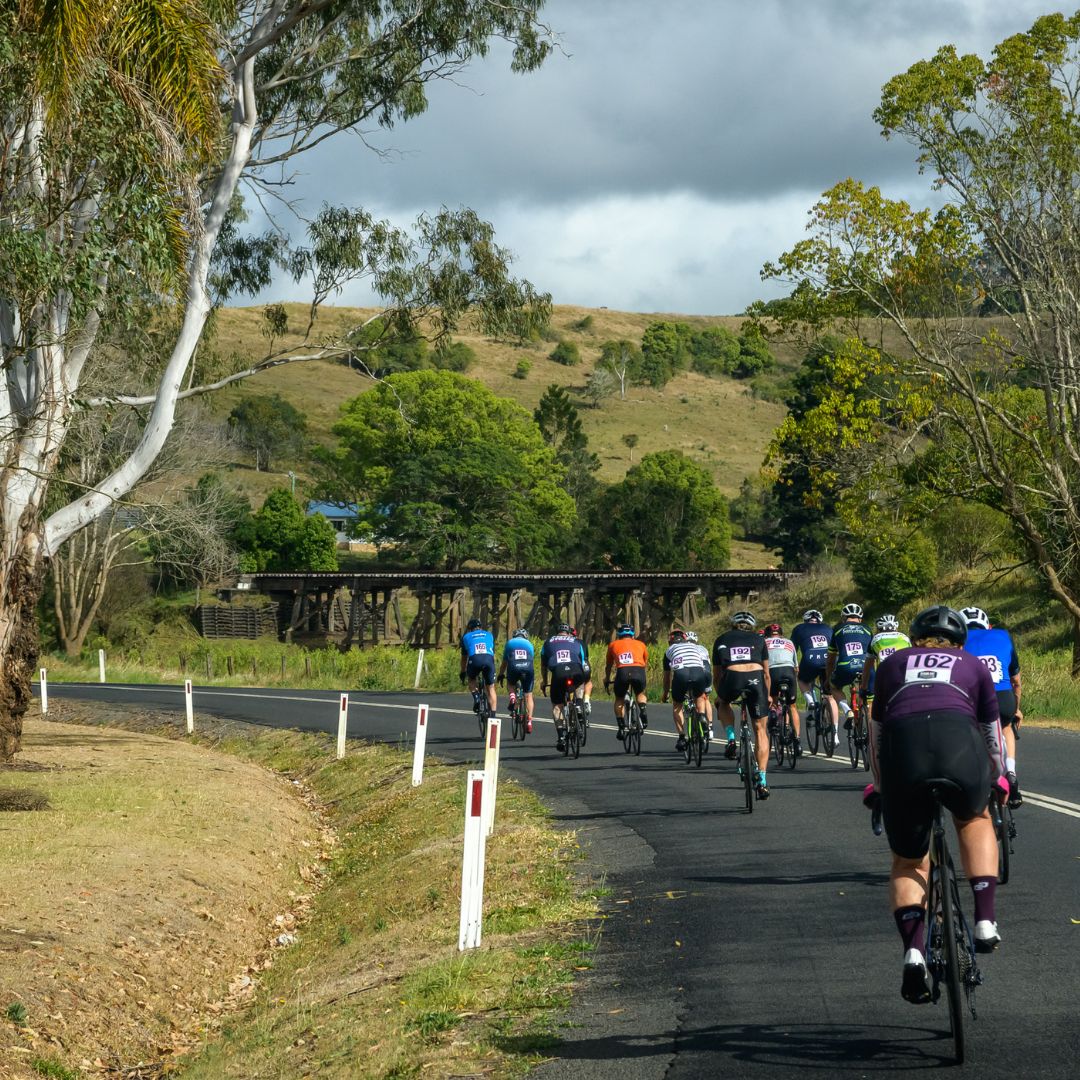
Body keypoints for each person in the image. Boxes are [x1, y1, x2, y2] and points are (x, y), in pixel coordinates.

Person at [865, 605, 1007, 1004]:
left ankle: (913, 952)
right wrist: (999, 778)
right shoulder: (972, 663)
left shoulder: (892, 664)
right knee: (975, 818)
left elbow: (876, 735)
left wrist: (880, 785)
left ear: (914, 640)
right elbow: (991, 731)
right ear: (959, 642)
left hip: (904, 752)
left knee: (909, 861)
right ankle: (984, 921)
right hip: (959, 746)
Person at [961, 606, 1023, 808]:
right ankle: (1011, 772)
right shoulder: (1003, 635)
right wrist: (1016, 709)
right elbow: (1016, 681)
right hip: (1004, 699)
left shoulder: (957, 642)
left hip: (974, 700)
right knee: (1006, 726)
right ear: (988, 625)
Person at [712, 611, 772, 798]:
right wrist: (767, 696)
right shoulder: (759, 639)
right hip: (755, 679)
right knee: (761, 730)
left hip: (732, 678)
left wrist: (720, 696)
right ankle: (762, 781)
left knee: (723, 703)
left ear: (733, 625)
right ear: (752, 626)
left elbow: (717, 675)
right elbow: (767, 675)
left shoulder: (721, 638)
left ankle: (731, 738)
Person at [827, 603, 873, 746]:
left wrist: (828, 678)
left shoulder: (837, 629)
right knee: (870, 700)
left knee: (835, 687)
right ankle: (872, 733)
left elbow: (830, 659)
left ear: (844, 618)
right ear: (860, 619)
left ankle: (847, 710)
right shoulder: (867, 629)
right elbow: (872, 656)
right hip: (865, 667)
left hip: (845, 667)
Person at [540, 623, 590, 752]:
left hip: (558, 672)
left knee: (557, 706)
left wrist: (545, 682)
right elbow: (583, 661)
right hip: (575, 669)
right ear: (568, 633)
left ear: (557, 633)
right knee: (579, 684)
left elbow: (543, 666)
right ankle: (579, 704)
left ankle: (561, 736)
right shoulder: (576, 641)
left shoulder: (548, 642)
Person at [661, 628, 712, 751]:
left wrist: (666, 692)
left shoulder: (669, 650)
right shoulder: (695, 647)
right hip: (699, 673)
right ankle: (701, 716)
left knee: (677, 705)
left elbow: (667, 677)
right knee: (699, 697)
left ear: (670, 641)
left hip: (681, 675)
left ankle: (682, 737)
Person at [791, 609, 836, 740]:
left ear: (806, 621)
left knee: (803, 680)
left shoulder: (799, 628)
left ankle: (810, 701)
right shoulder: (828, 628)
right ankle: (835, 729)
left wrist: (795, 665)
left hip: (810, 660)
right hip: (829, 661)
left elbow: (792, 649)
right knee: (829, 694)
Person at [604, 624, 649, 741]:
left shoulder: (613, 645)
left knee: (619, 698)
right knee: (640, 693)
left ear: (619, 635)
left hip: (622, 672)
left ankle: (621, 727)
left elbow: (608, 665)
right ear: (633, 635)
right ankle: (643, 710)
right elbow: (645, 662)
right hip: (638, 671)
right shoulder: (641, 644)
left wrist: (607, 679)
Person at [763, 622, 800, 754]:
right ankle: (797, 741)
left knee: (773, 700)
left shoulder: (765, 642)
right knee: (792, 706)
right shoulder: (789, 642)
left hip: (773, 672)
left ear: (767, 634)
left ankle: (774, 717)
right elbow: (796, 667)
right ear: (781, 633)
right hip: (789, 672)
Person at [498, 627, 535, 734]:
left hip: (514, 668)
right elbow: (531, 660)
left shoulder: (510, 643)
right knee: (528, 695)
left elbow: (505, 662)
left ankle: (512, 697)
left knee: (510, 684)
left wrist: (501, 674)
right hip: (527, 668)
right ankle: (529, 721)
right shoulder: (529, 644)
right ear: (525, 636)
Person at [459, 617, 497, 719]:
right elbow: (493, 654)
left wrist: (463, 672)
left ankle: (476, 697)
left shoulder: (466, 637)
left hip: (474, 660)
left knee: (471, 679)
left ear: (470, 629)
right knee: (491, 688)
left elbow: (464, 658)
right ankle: (493, 717)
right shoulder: (489, 635)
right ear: (480, 627)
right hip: (489, 660)